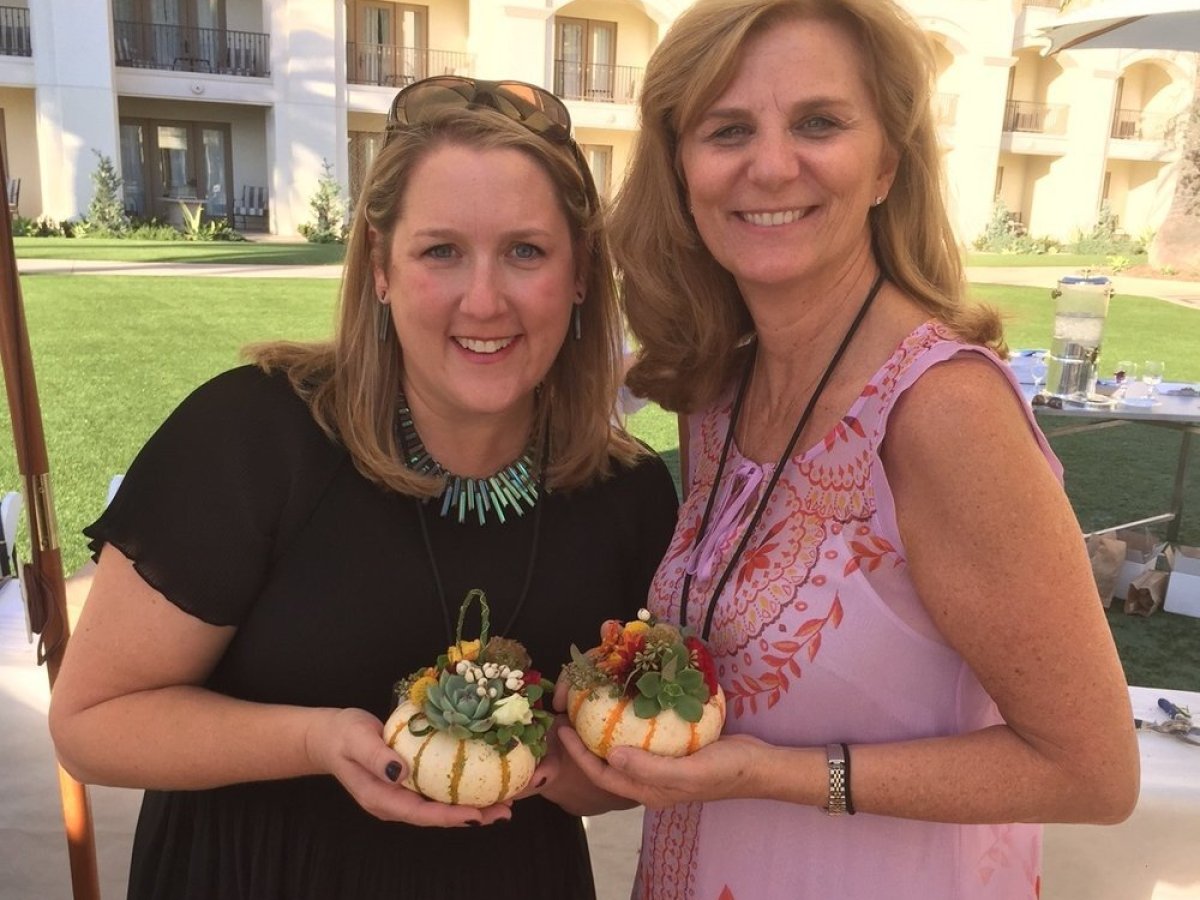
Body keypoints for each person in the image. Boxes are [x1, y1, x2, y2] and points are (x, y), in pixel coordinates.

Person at [556, 2, 1140, 898]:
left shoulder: (943, 411)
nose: (772, 163)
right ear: (681, 168)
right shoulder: (720, 392)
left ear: (886, 165)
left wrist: (769, 773)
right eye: (728, 129)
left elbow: (1093, 774)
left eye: (820, 123)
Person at [48, 77, 678, 900]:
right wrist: (316, 742)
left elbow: (618, 774)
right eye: (440, 251)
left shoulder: (623, 494)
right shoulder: (252, 440)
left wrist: (559, 759)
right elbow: (91, 724)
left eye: (526, 251)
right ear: (380, 266)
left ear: (581, 273)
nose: (483, 300)